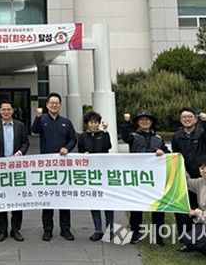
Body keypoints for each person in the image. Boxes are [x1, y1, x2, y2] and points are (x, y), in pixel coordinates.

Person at [31, 92, 77, 242]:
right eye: (51, 103)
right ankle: (47, 230)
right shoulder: (42, 120)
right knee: (48, 199)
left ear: (60, 105)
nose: (54, 105)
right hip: (47, 167)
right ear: (47, 105)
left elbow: (73, 139)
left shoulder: (66, 122)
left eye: (56, 103)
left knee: (64, 199)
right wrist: (37, 117)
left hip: (63, 166)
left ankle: (65, 230)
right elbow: (34, 130)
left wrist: (67, 148)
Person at [121, 110, 170, 245]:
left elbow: (168, 153)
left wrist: (163, 152)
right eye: (142, 119)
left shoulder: (158, 138)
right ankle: (135, 233)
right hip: (138, 178)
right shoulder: (133, 136)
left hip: (155, 179)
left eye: (147, 119)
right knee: (136, 208)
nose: (145, 122)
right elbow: (125, 136)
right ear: (137, 122)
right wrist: (126, 122)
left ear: (151, 122)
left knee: (158, 208)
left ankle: (158, 236)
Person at [0, 99, 30, 242]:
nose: (6, 112)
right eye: (3, 109)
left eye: (8, 109)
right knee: (1, 199)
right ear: (0, 111)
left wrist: (20, 153)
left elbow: (26, 143)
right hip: (0, 168)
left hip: (16, 167)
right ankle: (2, 230)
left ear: (13, 111)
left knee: (17, 199)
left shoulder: (20, 125)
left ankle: (15, 230)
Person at [171, 108, 206, 238]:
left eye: (190, 117)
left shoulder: (202, 132)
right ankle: (186, 236)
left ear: (196, 119)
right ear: (180, 120)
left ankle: (204, 235)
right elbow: (176, 155)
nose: (187, 119)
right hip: (185, 176)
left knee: (204, 205)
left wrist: (205, 121)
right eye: (184, 117)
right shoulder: (176, 136)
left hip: (202, 175)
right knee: (184, 206)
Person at [77, 110, 113, 242]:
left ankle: (110, 229)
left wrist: (105, 131)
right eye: (91, 122)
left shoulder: (103, 135)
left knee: (108, 201)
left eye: (96, 122)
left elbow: (108, 146)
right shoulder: (82, 136)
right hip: (90, 174)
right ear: (87, 123)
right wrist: (84, 154)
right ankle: (98, 230)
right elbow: (80, 151)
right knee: (94, 201)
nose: (93, 124)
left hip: (104, 172)